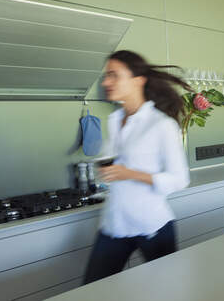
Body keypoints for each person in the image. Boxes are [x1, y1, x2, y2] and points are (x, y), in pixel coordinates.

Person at [84, 50, 191, 284]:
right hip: (114, 223)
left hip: (152, 225)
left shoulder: (161, 124)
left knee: (168, 292)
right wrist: (106, 171)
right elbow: (115, 163)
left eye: (114, 75)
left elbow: (180, 179)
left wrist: (129, 173)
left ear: (138, 79)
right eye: (105, 76)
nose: (106, 82)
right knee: (91, 292)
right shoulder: (114, 120)